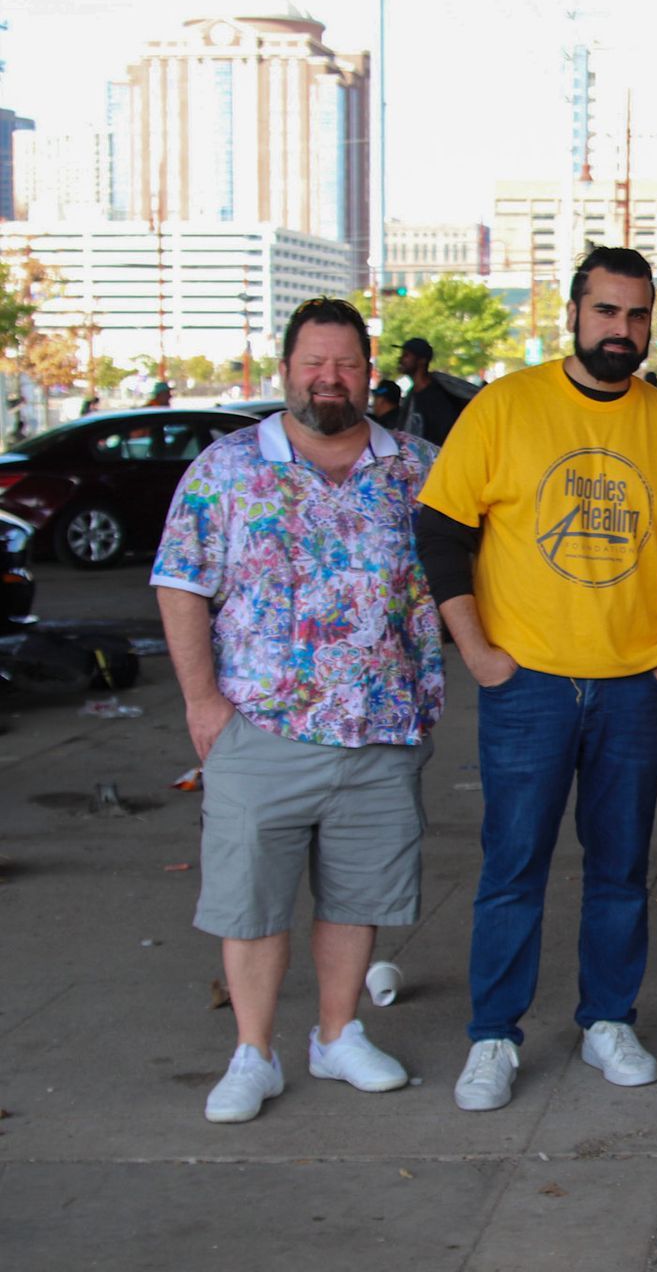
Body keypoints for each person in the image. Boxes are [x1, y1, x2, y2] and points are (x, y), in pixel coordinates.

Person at [415, 247, 657, 1112]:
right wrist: (476, 651)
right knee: (514, 865)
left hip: (632, 686)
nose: (621, 330)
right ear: (574, 313)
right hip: (529, 684)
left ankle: (607, 1021)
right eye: (606, 312)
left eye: (637, 315)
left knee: (621, 865)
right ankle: (493, 1036)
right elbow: (439, 531)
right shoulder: (507, 407)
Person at [151, 297, 442, 1124]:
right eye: (315, 362)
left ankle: (338, 1034)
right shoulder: (228, 467)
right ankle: (253, 1053)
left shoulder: (418, 467)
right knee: (251, 901)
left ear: (369, 370)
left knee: (359, 895)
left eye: (346, 364)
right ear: (286, 369)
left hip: (381, 728)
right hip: (260, 726)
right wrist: (202, 703)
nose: (330, 378)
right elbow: (180, 584)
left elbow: (466, 573)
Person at [397, 337, 470, 446]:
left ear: (422, 360)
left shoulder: (437, 397)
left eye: (406, 355)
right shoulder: (412, 394)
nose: (400, 359)